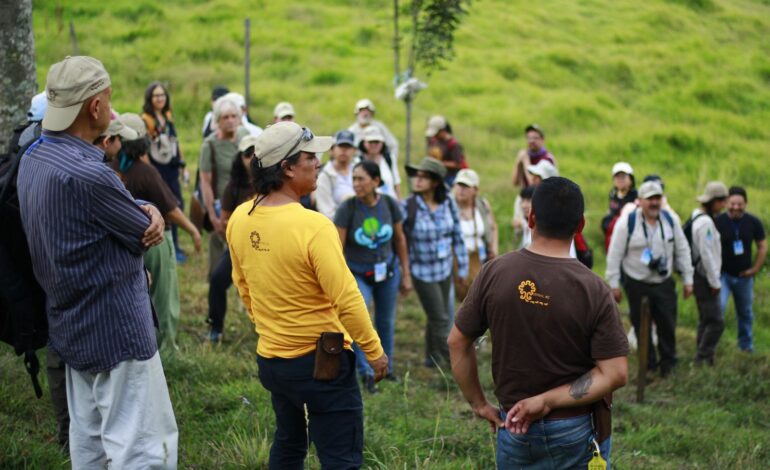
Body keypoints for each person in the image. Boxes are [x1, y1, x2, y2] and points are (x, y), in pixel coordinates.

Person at [17, 56, 178, 468]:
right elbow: (140, 232)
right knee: (141, 448)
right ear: (95, 107)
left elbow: (120, 211)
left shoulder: (34, 158)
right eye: (108, 99)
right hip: (118, 328)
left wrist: (140, 204)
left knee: (89, 446)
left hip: (70, 323)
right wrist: (148, 210)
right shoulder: (92, 173)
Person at [226, 121, 387, 469]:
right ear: (286, 168)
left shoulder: (240, 217)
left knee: (288, 441)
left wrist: (268, 326)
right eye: (311, 157)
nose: (319, 163)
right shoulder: (313, 226)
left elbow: (243, 284)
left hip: (272, 361)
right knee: (340, 457)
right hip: (321, 365)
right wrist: (374, 353)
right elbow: (346, 297)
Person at [448, 177, 629, 469]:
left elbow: (457, 342)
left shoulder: (495, 272)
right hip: (576, 430)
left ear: (531, 218)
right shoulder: (595, 289)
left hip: (514, 426)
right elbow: (616, 373)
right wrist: (547, 401)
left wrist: (479, 404)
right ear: (580, 225)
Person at [114, 112, 202, 352]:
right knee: (163, 297)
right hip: (156, 240)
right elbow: (171, 210)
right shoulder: (144, 172)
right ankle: (166, 347)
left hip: (125, 242)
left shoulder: (111, 168)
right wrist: (193, 229)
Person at [334, 160, 412, 392]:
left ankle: (386, 368)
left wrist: (405, 273)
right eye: (354, 179)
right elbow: (337, 246)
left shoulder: (389, 203)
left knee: (386, 321)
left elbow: (399, 239)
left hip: (388, 272)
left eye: (361, 179)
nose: (356, 184)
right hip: (358, 273)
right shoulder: (348, 208)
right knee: (361, 320)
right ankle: (367, 371)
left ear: (376, 181)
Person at [606, 181, 694, 377]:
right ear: (640, 201)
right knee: (640, 325)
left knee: (667, 324)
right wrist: (614, 284)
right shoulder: (627, 222)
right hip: (636, 282)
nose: (654, 203)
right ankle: (649, 365)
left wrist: (688, 279)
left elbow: (682, 249)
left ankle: (668, 365)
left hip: (663, 283)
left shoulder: (670, 220)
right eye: (650, 199)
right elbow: (614, 254)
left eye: (657, 198)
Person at [402, 157, 468, 368]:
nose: (418, 180)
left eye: (424, 177)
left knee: (437, 315)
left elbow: (457, 234)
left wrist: (462, 267)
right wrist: (404, 273)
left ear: (436, 182)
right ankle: (453, 363)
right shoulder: (408, 206)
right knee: (440, 318)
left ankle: (431, 358)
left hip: (445, 269)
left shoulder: (448, 202)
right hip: (422, 272)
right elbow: (399, 240)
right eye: (417, 176)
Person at [206, 135, 259, 343]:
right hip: (239, 248)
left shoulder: (273, 183)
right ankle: (215, 328)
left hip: (268, 247)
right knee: (218, 280)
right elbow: (224, 221)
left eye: (256, 152)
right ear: (241, 158)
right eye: (248, 154)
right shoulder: (233, 187)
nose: (252, 157)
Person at [199, 95, 250, 275]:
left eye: (233, 116)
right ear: (217, 121)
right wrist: (212, 214)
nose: (230, 121)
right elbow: (205, 181)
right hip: (222, 206)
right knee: (219, 259)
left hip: (245, 204)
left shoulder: (245, 137)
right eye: (225, 117)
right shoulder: (210, 145)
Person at [141, 82, 189, 263]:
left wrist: (182, 163)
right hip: (157, 167)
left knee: (177, 203)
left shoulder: (168, 117)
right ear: (150, 99)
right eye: (156, 96)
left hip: (171, 166)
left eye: (162, 95)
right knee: (165, 206)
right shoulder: (146, 119)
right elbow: (145, 148)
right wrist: (152, 173)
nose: (160, 98)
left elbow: (175, 141)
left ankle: (175, 245)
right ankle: (167, 245)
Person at [715, 186, 767, 353]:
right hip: (723, 275)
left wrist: (755, 269)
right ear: (726, 203)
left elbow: (762, 246)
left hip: (745, 276)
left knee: (745, 313)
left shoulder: (754, 222)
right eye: (732, 204)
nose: (736, 207)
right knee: (719, 309)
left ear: (746, 203)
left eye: (739, 204)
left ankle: (746, 347)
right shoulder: (719, 221)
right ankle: (713, 345)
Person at [690, 182, 728, 365]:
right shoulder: (705, 223)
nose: (723, 205)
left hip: (699, 276)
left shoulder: (697, 217)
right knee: (716, 322)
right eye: (721, 201)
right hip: (704, 278)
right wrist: (715, 282)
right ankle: (702, 357)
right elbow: (707, 254)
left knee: (706, 319)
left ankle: (705, 357)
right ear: (713, 201)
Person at [452, 169, 498, 300]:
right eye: (459, 185)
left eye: (466, 186)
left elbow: (493, 227)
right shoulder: (448, 207)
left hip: (480, 256)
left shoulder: (482, 205)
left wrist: (493, 248)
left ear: (475, 190)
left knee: (480, 296)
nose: (461, 189)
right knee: (461, 296)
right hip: (456, 259)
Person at [315, 130, 356, 220]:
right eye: (340, 146)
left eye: (348, 146)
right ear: (332, 150)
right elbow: (327, 212)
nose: (344, 150)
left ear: (354, 151)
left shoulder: (358, 170)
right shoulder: (325, 176)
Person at [348, 98, 399, 167]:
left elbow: (393, 145)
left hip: (379, 163)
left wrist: (390, 161)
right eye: (362, 111)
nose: (365, 113)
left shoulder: (379, 127)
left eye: (368, 111)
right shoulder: (352, 131)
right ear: (357, 113)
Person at [602, 162, 638, 251]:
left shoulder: (635, 196)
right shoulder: (613, 194)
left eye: (623, 177)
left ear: (631, 179)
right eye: (617, 177)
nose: (620, 180)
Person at [357, 126, 400, 199]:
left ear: (382, 143)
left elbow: (396, 183)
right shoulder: (357, 161)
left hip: (391, 203)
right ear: (363, 143)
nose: (373, 145)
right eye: (370, 142)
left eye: (376, 142)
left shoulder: (389, 159)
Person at [511, 124, 557, 189]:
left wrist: (525, 161)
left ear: (542, 140)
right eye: (529, 138)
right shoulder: (526, 155)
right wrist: (518, 163)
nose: (531, 141)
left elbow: (533, 185)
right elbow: (515, 183)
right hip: (527, 195)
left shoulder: (547, 159)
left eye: (535, 138)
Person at [425, 115, 467, 186]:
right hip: (437, 175)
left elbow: (458, 164)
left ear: (443, 130)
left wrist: (440, 163)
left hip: (450, 177)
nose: (435, 136)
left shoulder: (453, 144)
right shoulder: (433, 141)